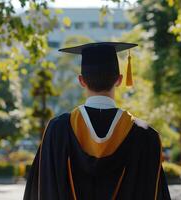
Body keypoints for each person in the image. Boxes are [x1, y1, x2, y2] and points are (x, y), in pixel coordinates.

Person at [23, 42, 171, 200]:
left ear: (81, 81)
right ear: (119, 80)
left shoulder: (57, 130)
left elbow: (41, 190)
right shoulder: (146, 136)